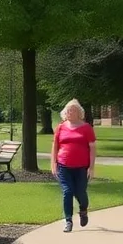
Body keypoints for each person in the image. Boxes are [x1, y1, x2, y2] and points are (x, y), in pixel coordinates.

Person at [50, 99, 97, 232]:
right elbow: (55, 146)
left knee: (80, 192)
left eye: (74, 110)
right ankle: (68, 220)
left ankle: (83, 210)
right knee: (67, 191)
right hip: (64, 165)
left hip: (81, 167)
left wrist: (91, 167)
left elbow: (92, 148)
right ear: (65, 113)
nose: (71, 112)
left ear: (79, 112)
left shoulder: (86, 128)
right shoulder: (61, 127)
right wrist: (53, 163)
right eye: (69, 110)